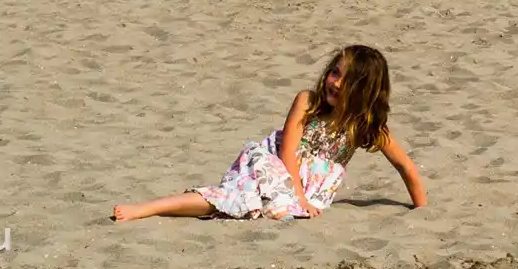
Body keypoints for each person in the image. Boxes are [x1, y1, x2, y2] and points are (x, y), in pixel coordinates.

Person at [112, 45, 426, 221]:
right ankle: (150, 208)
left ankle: (161, 208)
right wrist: (300, 198)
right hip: (273, 165)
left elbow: (405, 167)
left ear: (364, 91)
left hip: (309, 192)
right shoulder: (308, 102)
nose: (335, 83)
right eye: (334, 72)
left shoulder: (367, 127)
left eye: (347, 81)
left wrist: (421, 209)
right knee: (235, 200)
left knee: (250, 208)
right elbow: (287, 151)